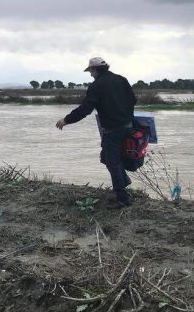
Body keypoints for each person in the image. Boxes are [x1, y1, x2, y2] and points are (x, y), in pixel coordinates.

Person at [56, 57, 137, 208]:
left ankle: (123, 199)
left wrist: (66, 120)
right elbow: (133, 100)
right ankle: (124, 182)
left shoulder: (96, 86)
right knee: (106, 157)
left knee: (112, 162)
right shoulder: (122, 79)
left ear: (94, 70)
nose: (90, 74)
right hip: (128, 126)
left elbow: (85, 109)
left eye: (90, 71)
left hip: (113, 130)